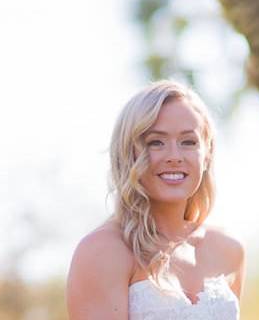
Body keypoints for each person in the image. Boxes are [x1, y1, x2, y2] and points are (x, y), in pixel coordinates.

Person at [67, 80, 244, 319]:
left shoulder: (228, 249)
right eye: (156, 142)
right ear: (128, 153)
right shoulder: (102, 251)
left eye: (188, 142)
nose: (174, 156)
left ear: (207, 153)